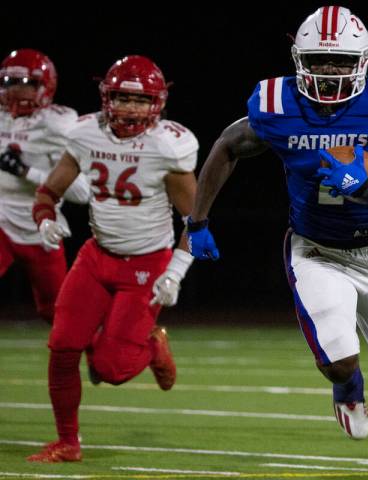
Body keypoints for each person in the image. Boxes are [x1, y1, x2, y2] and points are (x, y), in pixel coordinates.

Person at [185, 6, 368, 479]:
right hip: (315, 250)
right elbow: (228, 145)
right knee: (338, 361)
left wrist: (366, 189)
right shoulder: (278, 104)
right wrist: (197, 221)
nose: (329, 71)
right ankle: (347, 384)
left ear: (364, 61)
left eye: (340, 61)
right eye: (318, 59)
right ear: (298, 58)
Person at [26, 55, 198, 463]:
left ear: (157, 104)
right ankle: (68, 442)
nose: (130, 109)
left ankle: (154, 345)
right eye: (122, 98)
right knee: (63, 346)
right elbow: (47, 193)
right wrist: (45, 218)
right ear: (106, 98)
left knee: (111, 369)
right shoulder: (86, 134)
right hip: (96, 257)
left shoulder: (167, 146)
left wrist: (176, 271)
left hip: (146, 264)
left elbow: (199, 221)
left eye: (140, 101)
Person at [0, 48, 90, 323]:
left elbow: (82, 192)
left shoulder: (59, 124)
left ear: (46, 85)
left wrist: (26, 171)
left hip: (42, 228)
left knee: (57, 313)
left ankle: (101, 360)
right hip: (2, 221)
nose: (17, 91)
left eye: (28, 83)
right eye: (10, 82)